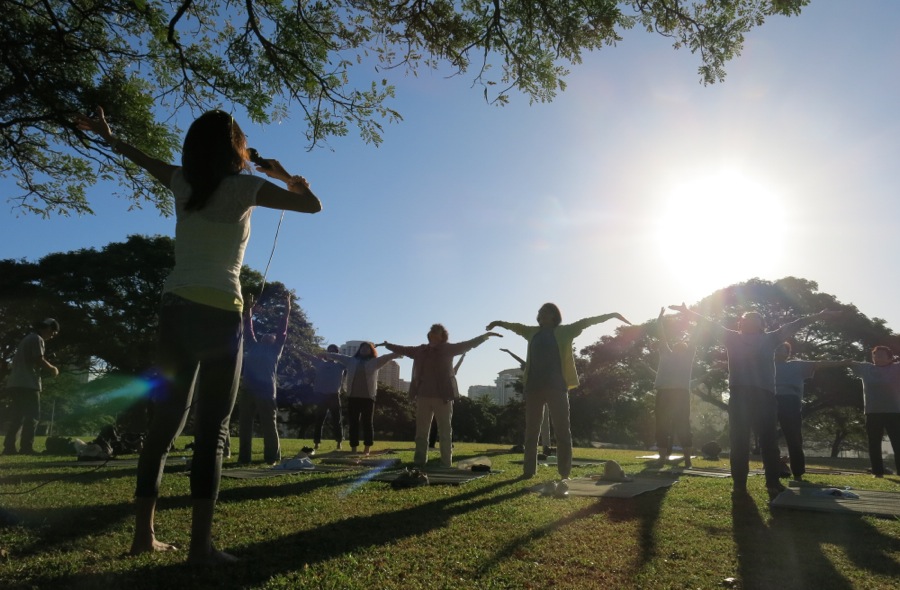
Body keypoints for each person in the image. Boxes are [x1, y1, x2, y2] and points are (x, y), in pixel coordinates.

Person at [76, 107, 321, 563]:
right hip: (219, 312)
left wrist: (110, 134)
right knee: (213, 429)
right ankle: (199, 546)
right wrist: (285, 174)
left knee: (164, 424)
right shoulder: (246, 187)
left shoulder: (181, 181)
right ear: (236, 148)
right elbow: (311, 205)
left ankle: (142, 536)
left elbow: (139, 157)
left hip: (174, 308)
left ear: (193, 147)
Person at [669, 304, 840, 498]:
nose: (749, 319)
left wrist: (820, 313)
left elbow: (796, 324)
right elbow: (709, 323)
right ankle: (739, 484)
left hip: (765, 395)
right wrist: (689, 313)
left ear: (761, 324)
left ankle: (773, 482)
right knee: (739, 440)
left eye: (754, 317)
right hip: (739, 394)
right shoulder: (731, 337)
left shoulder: (770, 339)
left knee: (768, 440)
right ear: (740, 323)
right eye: (746, 317)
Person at [487, 304, 631, 482]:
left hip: (556, 387)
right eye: (539, 313)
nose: (541, 315)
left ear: (554, 315)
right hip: (533, 387)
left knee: (562, 431)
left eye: (545, 312)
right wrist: (497, 322)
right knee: (531, 432)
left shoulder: (566, 331)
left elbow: (587, 322)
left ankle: (564, 473)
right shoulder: (531, 332)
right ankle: (528, 471)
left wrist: (612, 314)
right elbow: (514, 327)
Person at [381, 327, 499, 468]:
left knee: (445, 431)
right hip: (423, 395)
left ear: (443, 335)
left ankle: (445, 463)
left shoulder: (448, 349)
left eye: (437, 331)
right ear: (429, 334)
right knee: (421, 432)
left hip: (443, 397)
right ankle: (419, 462)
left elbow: (468, 344)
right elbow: (403, 349)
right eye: (432, 330)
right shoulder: (420, 350)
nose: (434, 332)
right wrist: (387, 345)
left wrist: (484, 337)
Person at [774, 341, 849, 481]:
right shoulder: (764, 366)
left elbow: (820, 363)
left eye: (783, 349)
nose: (779, 350)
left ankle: (797, 472)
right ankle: (773, 468)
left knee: (794, 437)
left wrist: (842, 362)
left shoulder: (797, 365)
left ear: (788, 353)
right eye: (777, 347)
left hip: (790, 401)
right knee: (767, 436)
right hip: (770, 400)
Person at [238, 293, 291, 465]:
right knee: (245, 426)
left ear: (276, 340)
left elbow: (283, 327)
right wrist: (250, 309)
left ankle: (272, 457)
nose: (269, 335)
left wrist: (287, 306)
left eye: (272, 335)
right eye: (266, 334)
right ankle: (244, 458)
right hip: (247, 389)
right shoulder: (253, 345)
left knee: (269, 425)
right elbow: (248, 327)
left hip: (266, 391)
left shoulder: (276, 349)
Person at [323, 342, 402, 455]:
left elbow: (388, 357)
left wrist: (400, 351)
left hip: (368, 397)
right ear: (359, 350)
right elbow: (337, 356)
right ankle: (354, 448)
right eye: (362, 348)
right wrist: (324, 354)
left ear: (371, 350)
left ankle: (367, 448)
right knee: (353, 423)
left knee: (367, 423)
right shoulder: (351, 360)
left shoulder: (375, 362)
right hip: (353, 396)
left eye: (367, 348)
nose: (364, 350)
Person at [3, 318, 60, 455]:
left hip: (15, 383)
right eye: (53, 333)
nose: (51, 336)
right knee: (32, 416)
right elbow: (38, 359)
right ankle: (26, 447)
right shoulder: (37, 339)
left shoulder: (28, 338)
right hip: (28, 384)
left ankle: (9, 447)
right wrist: (53, 369)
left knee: (18, 416)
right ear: (47, 328)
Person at [847, 345, 900, 478]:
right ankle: (877, 472)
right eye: (875, 355)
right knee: (874, 443)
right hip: (873, 412)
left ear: (890, 358)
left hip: (894, 412)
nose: (877, 357)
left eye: (881, 355)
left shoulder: (896, 368)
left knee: (897, 442)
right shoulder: (866, 368)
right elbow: (848, 362)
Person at [653, 307, 696, 468]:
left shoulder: (688, 356)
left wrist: (688, 315)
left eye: (682, 345)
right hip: (664, 392)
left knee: (683, 424)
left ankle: (687, 459)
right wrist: (659, 321)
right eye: (677, 345)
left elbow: (695, 336)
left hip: (680, 394)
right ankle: (662, 458)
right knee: (661, 425)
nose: (679, 346)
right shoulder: (666, 353)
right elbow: (662, 337)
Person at [501, 347, 553, 454]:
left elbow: (520, 360)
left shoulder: (532, 367)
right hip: (538, 396)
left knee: (539, 423)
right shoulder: (530, 371)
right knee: (537, 422)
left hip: (541, 396)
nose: (521, 366)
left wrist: (509, 351)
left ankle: (544, 446)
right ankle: (540, 446)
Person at [298, 344, 346, 451]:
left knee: (337, 420)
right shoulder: (319, 362)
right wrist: (296, 349)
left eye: (334, 352)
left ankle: (339, 442)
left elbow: (350, 361)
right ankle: (316, 442)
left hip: (334, 395)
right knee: (319, 419)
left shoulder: (340, 365)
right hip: (321, 395)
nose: (331, 353)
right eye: (329, 351)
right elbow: (307, 356)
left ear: (337, 354)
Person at [429, 353, 466, 450]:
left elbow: (457, 367)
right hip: (438, 400)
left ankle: (446, 443)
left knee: (445, 423)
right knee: (437, 424)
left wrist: (462, 358)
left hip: (447, 400)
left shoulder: (450, 373)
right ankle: (432, 444)